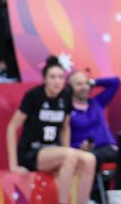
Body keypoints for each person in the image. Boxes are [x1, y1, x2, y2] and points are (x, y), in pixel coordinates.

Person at [7, 57, 97, 204]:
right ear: (45, 79)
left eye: (61, 77)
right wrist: (13, 165)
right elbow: (11, 127)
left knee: (90, 159)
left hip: (55, 150)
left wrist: (68, 152)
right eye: (52, 77)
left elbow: (65, 127)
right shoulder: (34, 96)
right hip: (32, 151)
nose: (57, 81)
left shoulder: (66, 96)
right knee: (70, 155)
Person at [68, 71, 120, 163]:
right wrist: (78, 147)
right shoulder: (66, 110)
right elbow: (64, 136)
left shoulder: (97, 103)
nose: (84, 87)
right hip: (81, 152)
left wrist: (93, 82)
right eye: (79, 84)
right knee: (90, 158)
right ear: (70, 88)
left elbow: (115, 82)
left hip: (106, 149)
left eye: (86, 83)